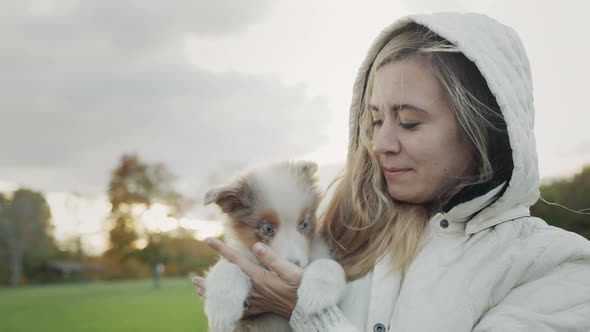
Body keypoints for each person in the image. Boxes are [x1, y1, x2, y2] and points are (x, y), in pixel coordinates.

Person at [193, 12, 590, 331]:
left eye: (410, 122)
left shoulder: (556, 267)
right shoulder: (348, 226)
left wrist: (310, 317)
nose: (381, 144)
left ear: (482, 130)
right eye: (376, 119)